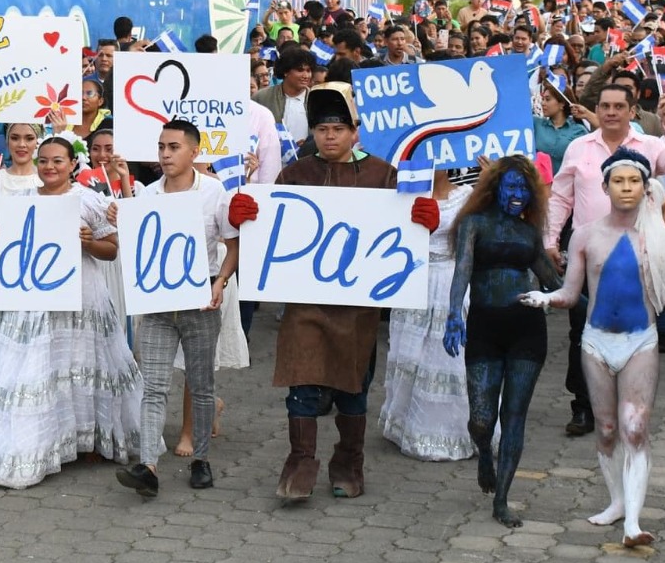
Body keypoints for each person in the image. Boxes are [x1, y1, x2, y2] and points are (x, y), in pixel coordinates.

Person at [229, 83, 437, 500]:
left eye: (337, 128)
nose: (329, 136)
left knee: (352, 390)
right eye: (321, 128)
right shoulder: (295, 174)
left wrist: (421, 220)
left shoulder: (383, 174)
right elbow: (269, 230)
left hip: (357, 308)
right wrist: (246, 216)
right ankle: (300, 463)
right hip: (305, 304)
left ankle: (348, 464)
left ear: (354, 131)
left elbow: (405, 234)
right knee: (301, 386)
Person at [524, 149, 665, 545]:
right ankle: (617, 502)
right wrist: (544, 299)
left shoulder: (660, 238)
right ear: (604, 187)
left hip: (641, 341)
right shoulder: (586, 235)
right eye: (618, 182)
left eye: (633, 181)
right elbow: (571, 295)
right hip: (596, 344)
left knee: (635, 428)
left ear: (645, 187)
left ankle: (633, 524)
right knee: (606, 431)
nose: (626, 188)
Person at [0, 137, 140, 488]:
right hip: (31, 303)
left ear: (73, 164)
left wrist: (88, 242)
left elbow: (112, 251)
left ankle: (90, 440)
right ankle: (39, 442)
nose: (50, 167)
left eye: (58, 161)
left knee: (81, 364)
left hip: (81, 299)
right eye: (44, 161)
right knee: (41, 369)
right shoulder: (18, 201)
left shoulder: (88, 201)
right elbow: (2, 244)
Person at [546, 85, 665, 435]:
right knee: (583, 329)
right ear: (597, 109)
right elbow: (560, 197)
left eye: (618, 106)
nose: (611, 112)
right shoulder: (579, 148)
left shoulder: (652, 146)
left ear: (632, 112)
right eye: (605, 106)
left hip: (636, 258)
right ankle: (583, 407)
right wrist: (550, 239)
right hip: (588, 258)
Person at [114, 121, 240, 496]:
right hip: (156, 307)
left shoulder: (215, 192)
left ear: (194, 152)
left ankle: (201, 460)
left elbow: (233, 244)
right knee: (153, 387)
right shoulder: (148, 194)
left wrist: (220, 282)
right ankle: (148, 465)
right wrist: (122, 222)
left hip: (200, 303)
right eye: (161, 147)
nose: (165, 154)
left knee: (201, 387)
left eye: (173, 147)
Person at [441, 157, 562, 525]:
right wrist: (452, 316)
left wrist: (590, 304)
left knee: (514, 416)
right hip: (484, 326)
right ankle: (483, 452)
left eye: (524, 188)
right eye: (511, 187)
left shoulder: (529, 233)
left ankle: (503, 500)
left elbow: (552, 281)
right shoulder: (474, 224)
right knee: (481, 418)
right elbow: (462, 269)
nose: (517, 195)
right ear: (496, 189)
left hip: (527, 330)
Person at [380, 169, 476, 462]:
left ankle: (452, 430)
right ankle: (405, 425)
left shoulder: (467, 197)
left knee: (447, 355)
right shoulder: (403, 195)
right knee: (409, 353)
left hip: (449, 280)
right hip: (411, 279)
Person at [253, 47, 314, 143]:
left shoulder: (317, 99)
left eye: (308, 70)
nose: (306, 75)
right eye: (300, 70)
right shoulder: (261, 98)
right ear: (286, 71)